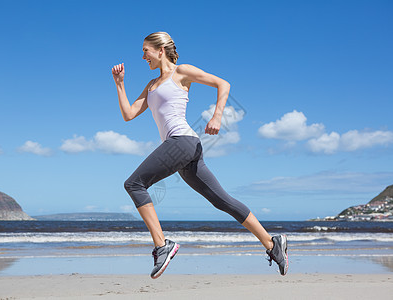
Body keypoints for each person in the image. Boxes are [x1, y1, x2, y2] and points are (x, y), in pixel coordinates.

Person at [111, 32, 288, 279]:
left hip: (182, 142)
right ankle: (272, 243)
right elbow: (129, 114)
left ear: (160, 50)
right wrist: (120, 84)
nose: (143, 57)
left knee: (134, 183)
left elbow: (223, 84)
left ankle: (162, 245)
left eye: (146, 51)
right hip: (185, 149)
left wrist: (217, 116)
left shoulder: (181, 72)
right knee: (222, 201)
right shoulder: (151, 85)